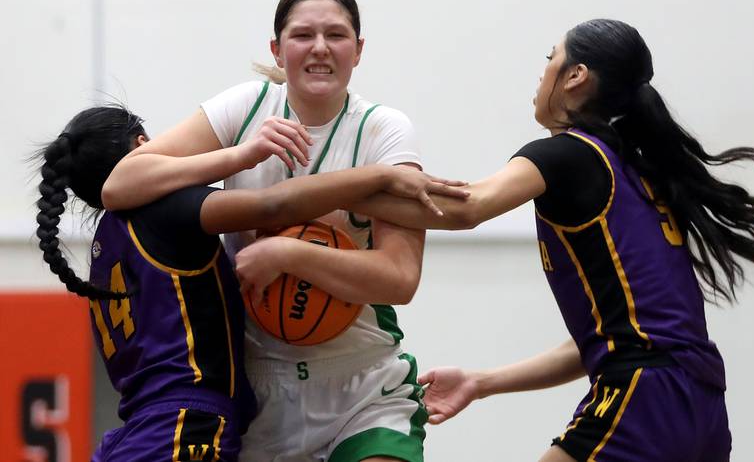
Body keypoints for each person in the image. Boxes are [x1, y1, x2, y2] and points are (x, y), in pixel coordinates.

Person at [337, 19, 754, 461]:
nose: (543, 70)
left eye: (550, 57)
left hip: (644, 397)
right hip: (702, 405)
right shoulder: (638, 170)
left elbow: (466, 207)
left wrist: (327, 191)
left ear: (575, 76)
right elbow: (602, 340)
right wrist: (482, 381)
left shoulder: (569, 155)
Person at [103, 0, 436, 462]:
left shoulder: (384, 129)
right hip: (260, 389)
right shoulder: (247, 107)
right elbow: (120, 185)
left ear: (358, 51)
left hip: (362, 383)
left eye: (336, 35)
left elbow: (401, 279)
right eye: (303, 35)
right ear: (277, 50)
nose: (320, 48)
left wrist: (289, 252)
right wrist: (241, 154)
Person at [37, 105, 463, 462]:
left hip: (136, 431)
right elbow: (271, 206)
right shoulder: (163, 209)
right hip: (185, 426)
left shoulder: (106, 246)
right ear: (144, 148)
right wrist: (380, 176)